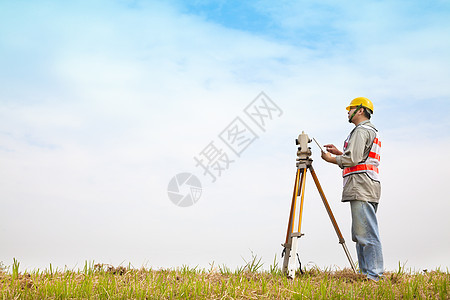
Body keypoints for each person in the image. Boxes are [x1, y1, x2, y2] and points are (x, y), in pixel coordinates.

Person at [321, 97, 384, 282]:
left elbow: (353, 160)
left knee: (365, 233)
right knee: (361, 232)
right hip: (367, 184)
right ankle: (367, 274)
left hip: (361, 185)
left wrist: (331, 159)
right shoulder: (369, 131)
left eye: (351, 109)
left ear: (361, 111)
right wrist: (340, 154)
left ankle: (374, 276)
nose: (347, 112)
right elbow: (359, 157)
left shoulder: (361, 131)